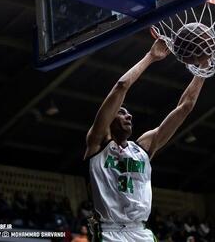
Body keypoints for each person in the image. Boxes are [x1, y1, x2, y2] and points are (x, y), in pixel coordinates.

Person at [84, 39, 206, 242]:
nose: (129, 116)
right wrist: (151, 57)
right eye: (121, 113)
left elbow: (185, 107)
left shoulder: (143, 148)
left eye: (129, 114)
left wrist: (202, 68)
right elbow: (121, 87)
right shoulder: (98, 143)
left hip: (141, 232)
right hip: (109, 232)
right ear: (109, 119)